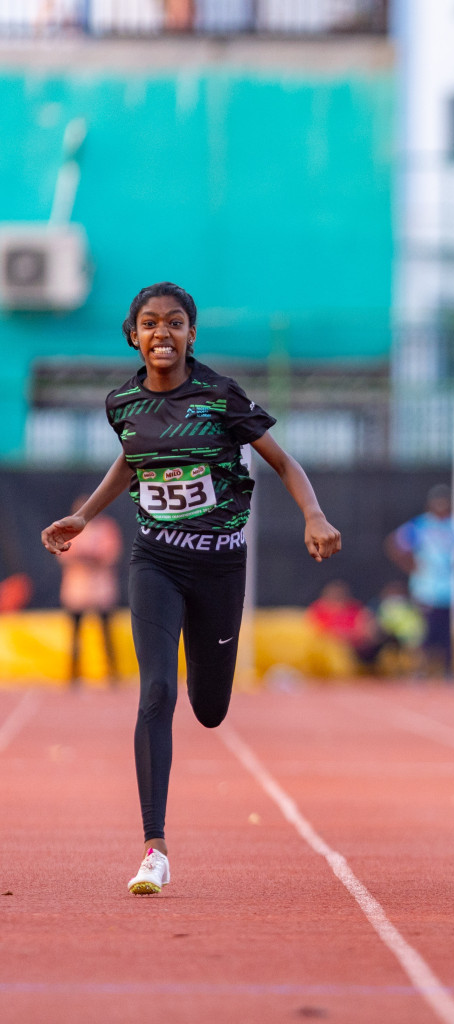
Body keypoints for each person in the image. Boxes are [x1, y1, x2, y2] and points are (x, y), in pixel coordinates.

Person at [40, 281, 341, 895]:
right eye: (149, 324)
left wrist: (314, 514)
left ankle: (209, 695)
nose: (162, 334)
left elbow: (284, 461)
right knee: (155, 691)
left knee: (208, 708)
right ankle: (155, 847)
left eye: (175, 323)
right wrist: (87, 516)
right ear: (133, 335)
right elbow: (131, 459)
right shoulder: (121, 403)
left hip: (220, 567)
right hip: (155, 562)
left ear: (191, 334)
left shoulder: (220, 396)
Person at [386, 485, 454, 679]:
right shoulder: (421, 526)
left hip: (452, 588)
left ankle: (449, 670)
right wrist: (411, 566)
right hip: (426, 587)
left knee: (449, 632)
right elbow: (394, 543)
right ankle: (420, 669)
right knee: (423, 631)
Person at [56, 493, 123, 688]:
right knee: (75, 634)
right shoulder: (69, 529)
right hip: (77, 588)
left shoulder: (106, 528)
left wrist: (91, 556)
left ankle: (112, 673)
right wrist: (82, 556)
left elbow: (111, 553)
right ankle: (73, 674)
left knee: (106, 633)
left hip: (100, 588)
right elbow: (63, 554)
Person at [306, 580, 384, 675]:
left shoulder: (353, 608)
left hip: (355, 645)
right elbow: (314, 630)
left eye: (339, 594)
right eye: (334, 594)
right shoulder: (320, 609)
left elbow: (362, 627)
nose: (336, 597)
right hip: (330, 647)